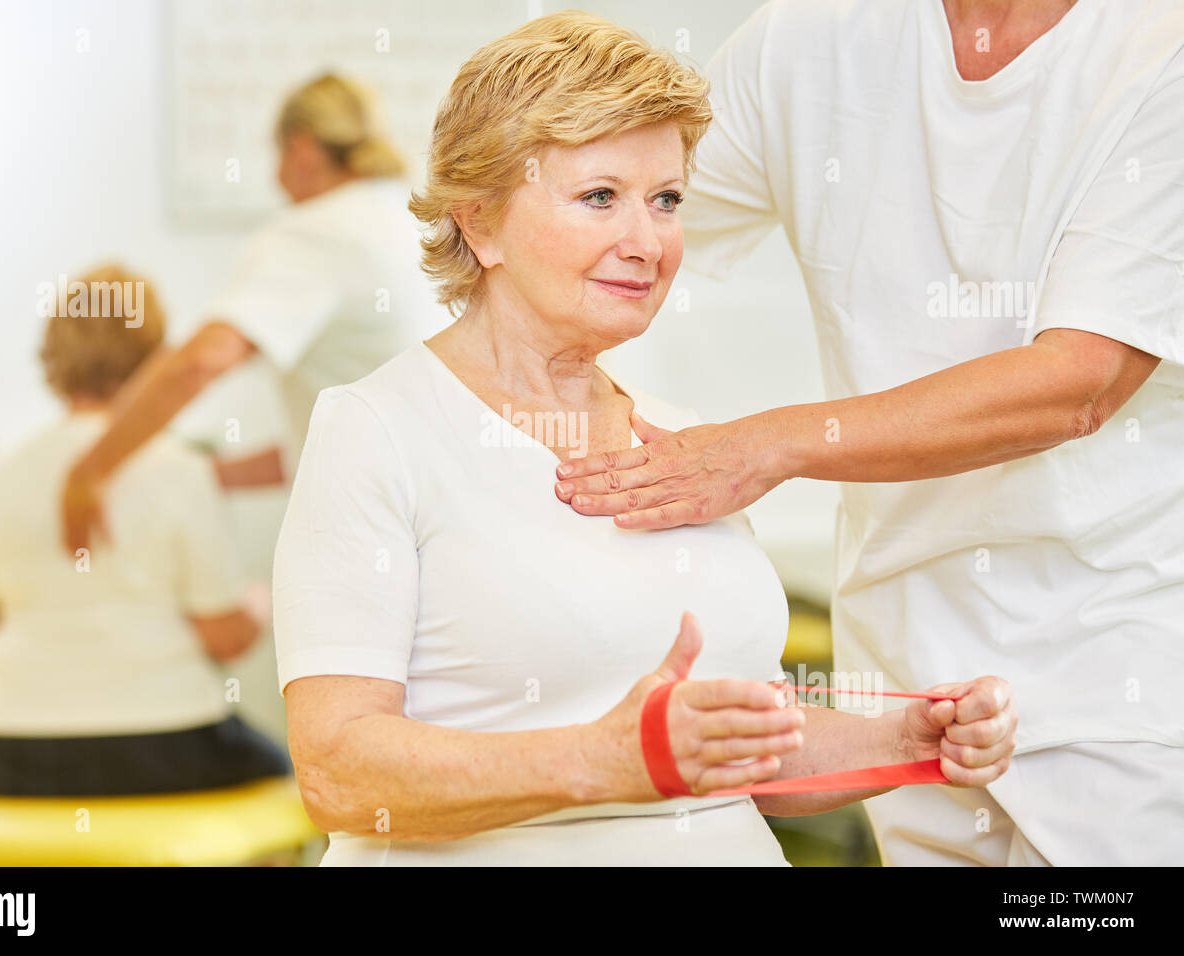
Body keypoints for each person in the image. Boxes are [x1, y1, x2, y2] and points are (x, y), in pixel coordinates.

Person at [274, 12, 1016, 866]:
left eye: (666, 200)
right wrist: (600, 763)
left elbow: (738, 751)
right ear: (479, 223)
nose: (648, 243)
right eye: (600, 197)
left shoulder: (685, 445)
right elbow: (338, 773)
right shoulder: (375, 431)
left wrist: (907, 740)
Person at [551, 0, 1184, 865]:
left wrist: (765, 446)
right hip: (902, 681)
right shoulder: (806, 40)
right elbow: (599, 223)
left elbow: (1082, 381)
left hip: (1119, 670)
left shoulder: (1159, 52)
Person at [60, 73, 449, 553]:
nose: (276, 182)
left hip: (378, 537)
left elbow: (200, 362)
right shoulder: (415, 223)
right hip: (443, 520)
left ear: (301, 150)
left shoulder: (317, 230)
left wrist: (88, 473)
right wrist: (206, 475)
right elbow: (346, 442)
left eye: (276, 158)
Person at [0, 265, 290, 796]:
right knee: (279, 774)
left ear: (53, 355)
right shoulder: (179, 467)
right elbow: (225, 637)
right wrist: (261, 602)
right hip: (164, 742)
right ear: (155, 358)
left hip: (9, 755)